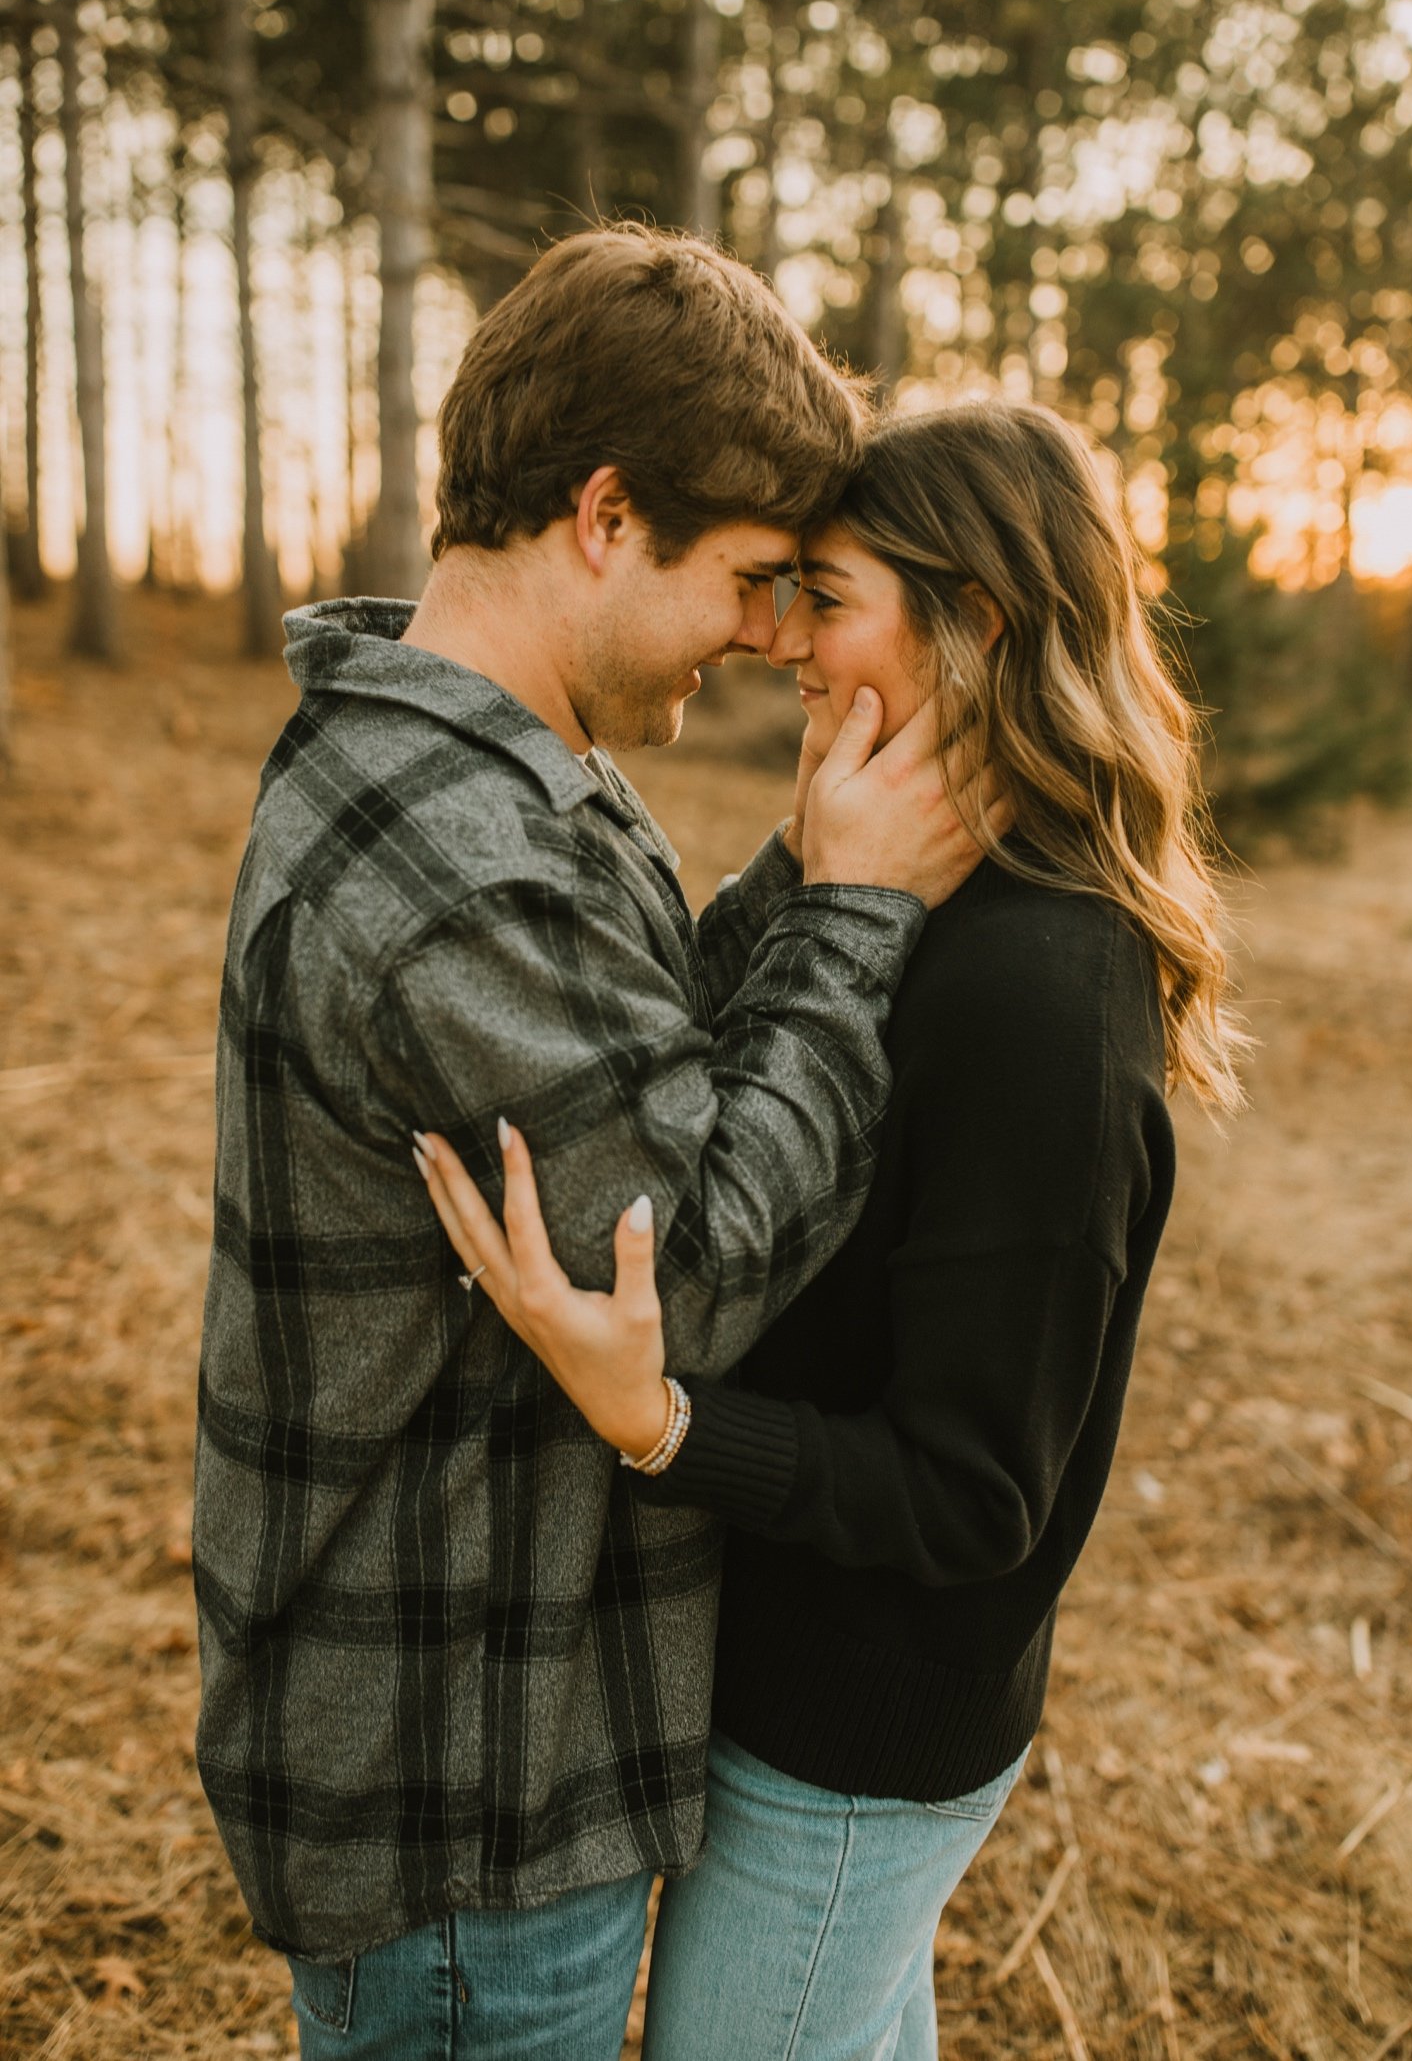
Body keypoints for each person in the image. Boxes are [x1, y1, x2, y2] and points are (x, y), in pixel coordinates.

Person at [192, 225, 994, 2061]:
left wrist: (799, 869)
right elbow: (694, 1269)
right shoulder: (457, 866)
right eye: (752, 578)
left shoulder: (480, 762)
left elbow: (639, 1062)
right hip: (462, 1772)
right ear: (608, 515)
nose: (779, 635)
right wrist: (859, 919)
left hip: (476, 1722)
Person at [416, 398, 1248, 2061]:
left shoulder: (1038, 984)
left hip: (855, 1744)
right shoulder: (916, 895)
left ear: (979, 626)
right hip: (775, 1675)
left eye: (829, 598)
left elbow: (974, 1492)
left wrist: (659, 1423)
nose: (780, 643)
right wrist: (814, 872)